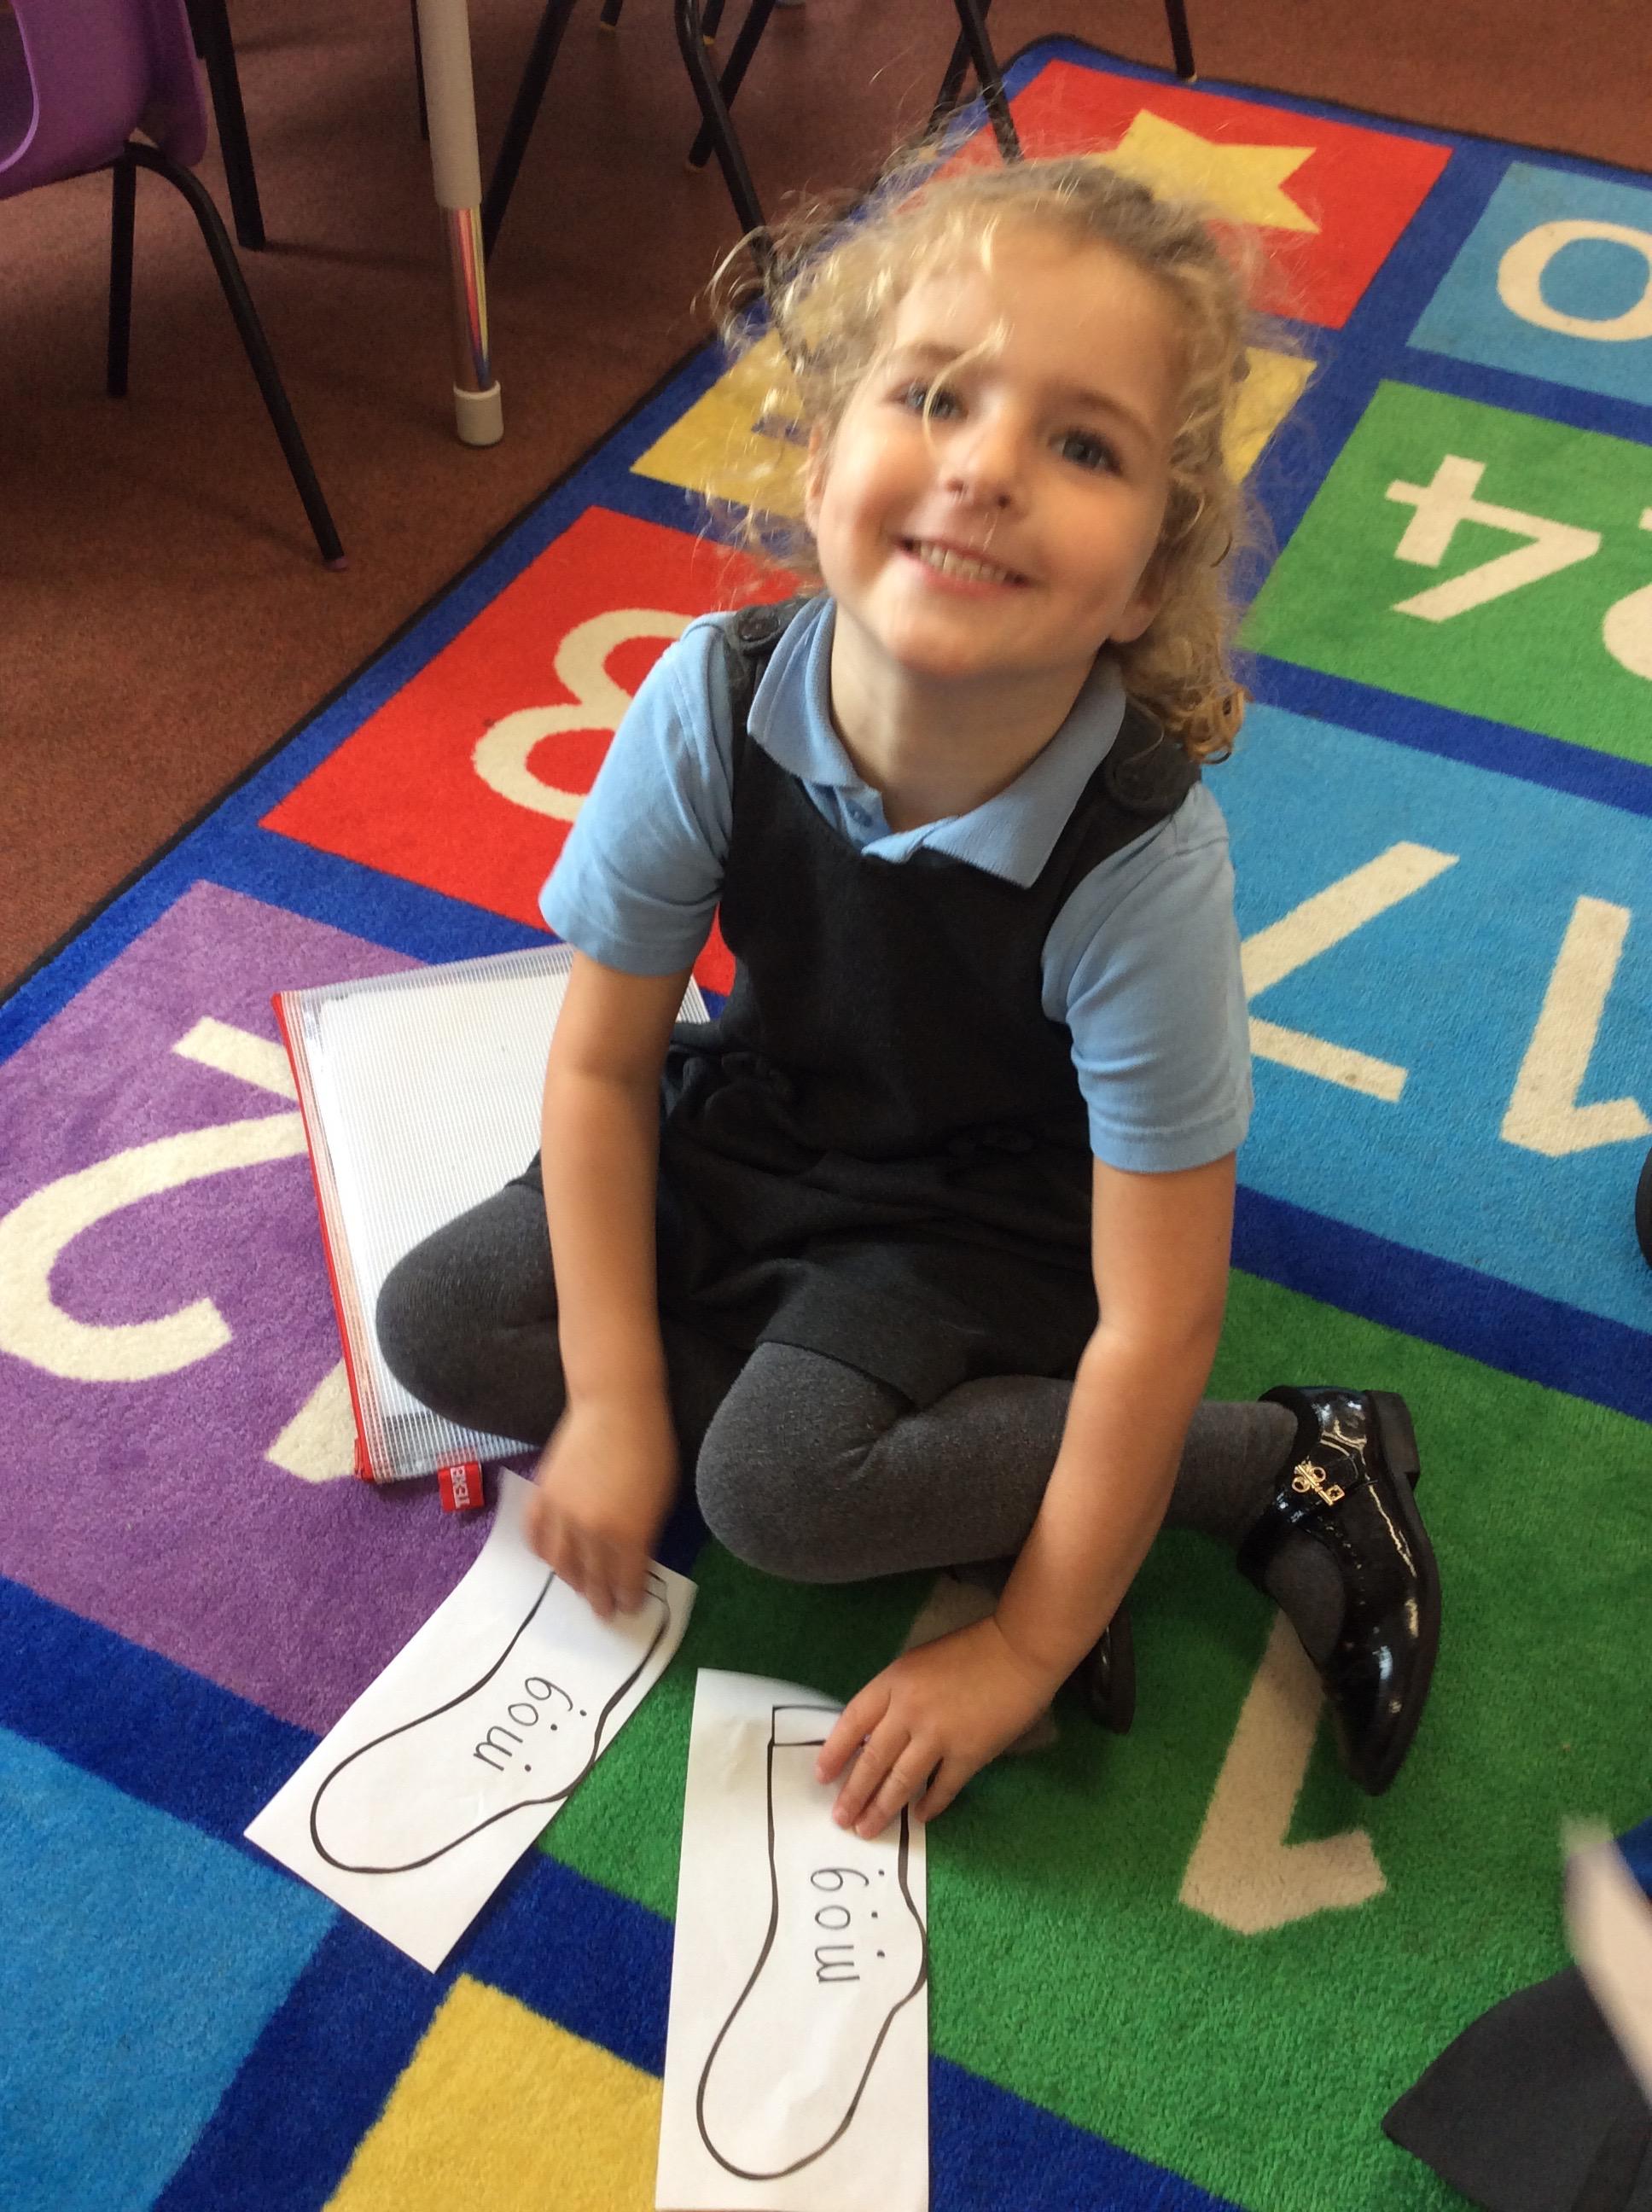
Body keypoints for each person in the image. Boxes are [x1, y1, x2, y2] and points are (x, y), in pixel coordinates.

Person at [377, 154, 1440, 1842]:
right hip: (758, 1131)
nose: (985, 467)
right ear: (818, 469)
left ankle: (1287, 1459)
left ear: (1144, 583)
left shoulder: (1141, 862)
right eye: (935, 396)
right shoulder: (708, 700)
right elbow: (599, 1074)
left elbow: (1158, 1316)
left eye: (1081, 446)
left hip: (979, 1224)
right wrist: (618, 1400)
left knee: (778, 1493)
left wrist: (1028, 1643)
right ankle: (985, 1472)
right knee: (441, 1325)